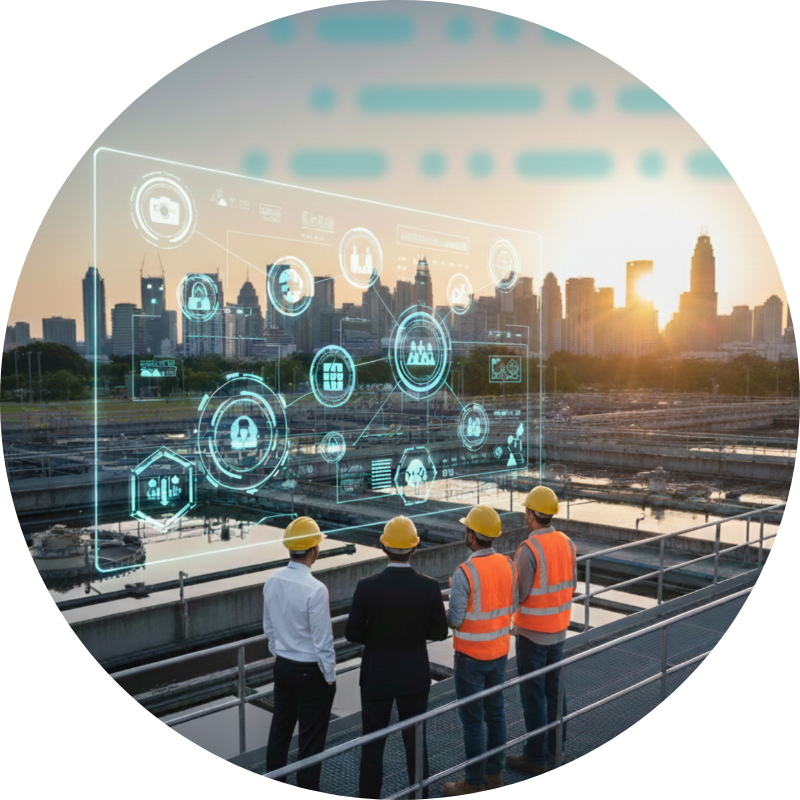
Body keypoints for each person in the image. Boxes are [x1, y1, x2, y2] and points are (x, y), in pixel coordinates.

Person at [345, 516, 449, 800]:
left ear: (384, 547)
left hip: (376, 675)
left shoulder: (367, 587)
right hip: (414, 676)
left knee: (372, 746)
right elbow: (440, 632)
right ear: (414, 549)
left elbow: (352, 633)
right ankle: (420, 795)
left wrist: (378, 638)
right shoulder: (428, 587)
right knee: (416, 745)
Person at [443, 505, 518, 797]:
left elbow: (456, 619)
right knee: (496, 715)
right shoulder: (508, 565)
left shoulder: (464, 572)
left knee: (473, 722)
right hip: (499, 653)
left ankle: (473, 783)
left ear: (472, 535)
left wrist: (453, 593)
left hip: (471, 657)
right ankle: (495, 776)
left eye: (466, 529)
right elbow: (510, 605)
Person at [505, 486, 577, 777]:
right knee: (554, 693)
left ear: (532, 514)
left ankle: (534, 757)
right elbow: (570, 584)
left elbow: (518, 595)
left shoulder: (528, 549)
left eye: (526, 510)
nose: (525, 514)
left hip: (532, 634)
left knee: (533, 696)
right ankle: (554, 749)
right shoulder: (567, 542)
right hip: (559, 630)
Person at [263, 517, 336, 791]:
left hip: (283, 667)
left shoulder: (272, 581)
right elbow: (323, 642)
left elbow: (268, 629)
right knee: (310, 741)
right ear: (315, 550)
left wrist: (282, 654)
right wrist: (329, 677)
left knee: (279, 734)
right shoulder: (316, 589)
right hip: (310, 672)